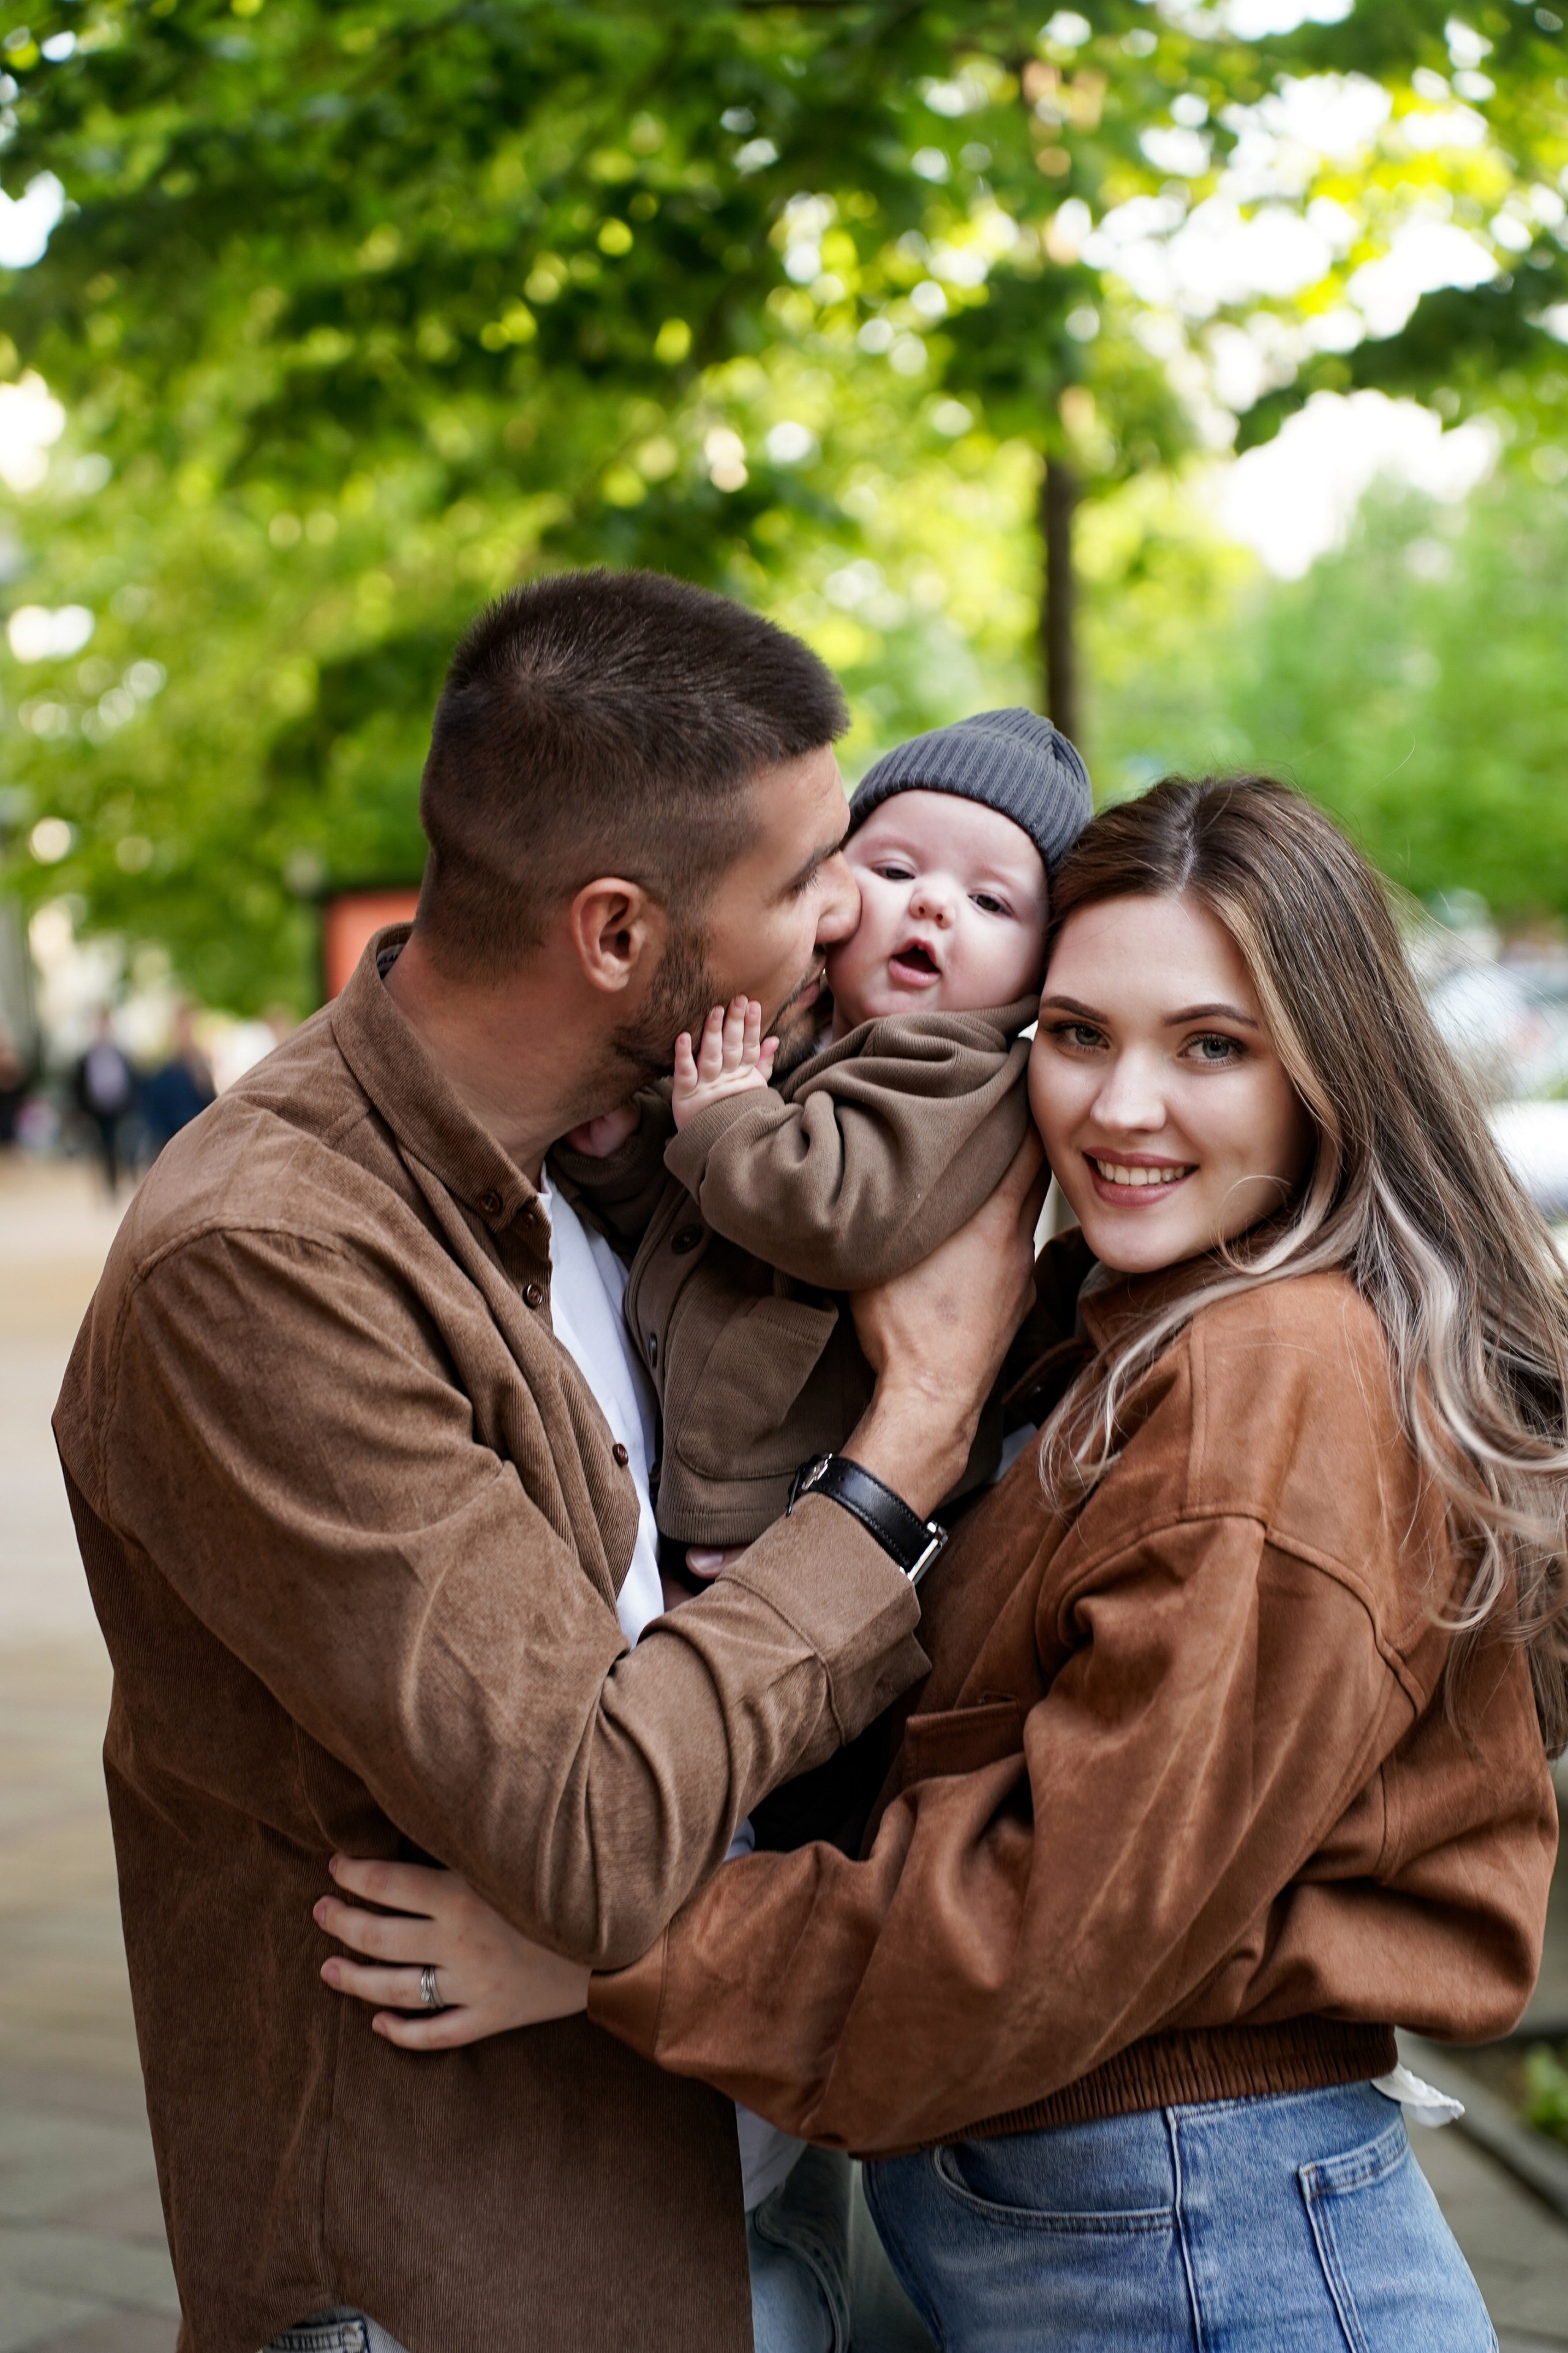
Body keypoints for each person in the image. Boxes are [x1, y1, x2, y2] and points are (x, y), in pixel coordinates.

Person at [319, 777, 1564, 2352]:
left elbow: (1054, 1919)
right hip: (1116, 2224)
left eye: (1208, 1045)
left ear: (1329, 1068)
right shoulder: (1122, 1322)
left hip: (1205, 2251)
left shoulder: (1275, 1371)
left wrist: (615, 1950)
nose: (1117, 1109)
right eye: (1071, 1033)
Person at [52, 570, 1043, 2353]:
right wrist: (908, 1445)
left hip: (739, 2197)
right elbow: (588, 1832)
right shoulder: (273, 1262)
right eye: (806, 877)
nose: (845, 921)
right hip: (479, 2270)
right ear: (616, 933)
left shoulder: (595, 1168)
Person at [557, 708, 1090, 1568]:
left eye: (989, 900)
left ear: (1040, 970)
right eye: (895, 867)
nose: (933, 902)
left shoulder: (958, 1078)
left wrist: (724, 1116)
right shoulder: (815, 1033)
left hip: (793, 1482)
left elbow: (839, 1211)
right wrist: (630, 1151)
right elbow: (710, 1203)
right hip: (709, 1452)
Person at [140, 1000, 216, 1156]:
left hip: (199, 1139)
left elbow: (211, 1106)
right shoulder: (164, 1075)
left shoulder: (200, 1070)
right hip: (174, 1141)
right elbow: (156, 1116)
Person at [72, 1007, 136, 1195]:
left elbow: (129, 1081)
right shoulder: (87, 1057)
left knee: (117, 1145)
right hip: (96, 1109)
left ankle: (115, 1182)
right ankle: (107, 1184)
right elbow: (80, 1085)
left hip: (118, 1107)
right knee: (102, 1147)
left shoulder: (119, 1054)